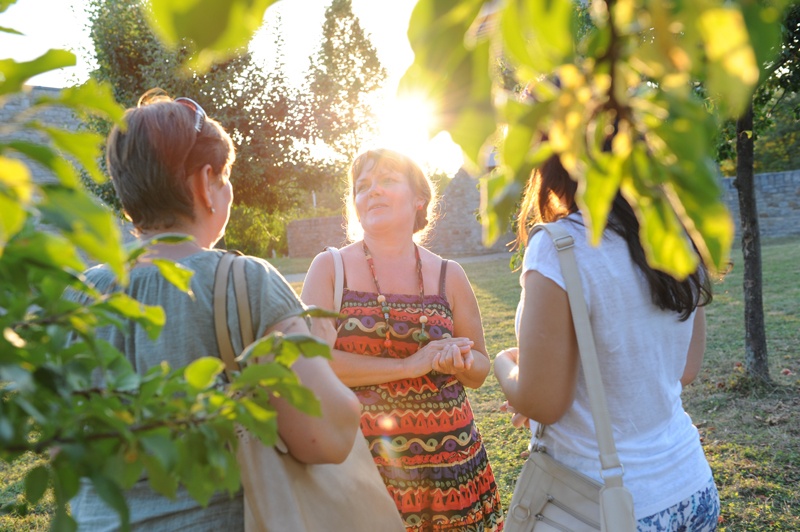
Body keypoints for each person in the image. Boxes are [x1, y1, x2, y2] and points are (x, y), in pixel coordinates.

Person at [68, 89, 362, 530]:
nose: (226, 190)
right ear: (205, 184)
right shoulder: (246, 281)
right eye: (224, 178)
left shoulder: (80, 296)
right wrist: (316, 345)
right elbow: (330, 438)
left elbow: (66, 453)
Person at [494, 154, 721, 530]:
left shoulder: (560, 245)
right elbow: (685, 368)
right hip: (690, 488)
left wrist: (507, 362)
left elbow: (542, 403)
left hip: (603, 506)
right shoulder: (675, 234)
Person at [301, 149, 504, 531]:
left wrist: (459, 359)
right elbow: (313, 365)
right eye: (362, 187)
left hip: (454, 475)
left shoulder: (450, 274)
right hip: (361, 471)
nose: (373, 191)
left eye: (388, 181)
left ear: (419, 199)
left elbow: (480, 369)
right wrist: (410, 366)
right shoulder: (330, 268)